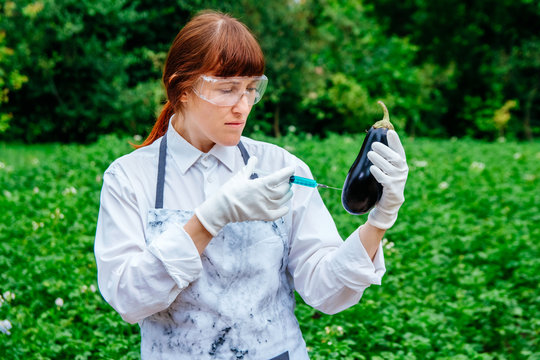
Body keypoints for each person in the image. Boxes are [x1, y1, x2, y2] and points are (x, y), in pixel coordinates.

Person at [94, 10, 408, 360]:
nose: (242, 106)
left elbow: (325, 291)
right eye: (227, 89)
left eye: (251, 89)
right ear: (182, 88)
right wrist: (208, 220)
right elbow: (126, 298)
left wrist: (379, 221)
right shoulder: (130, 177)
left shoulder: (281, 167)